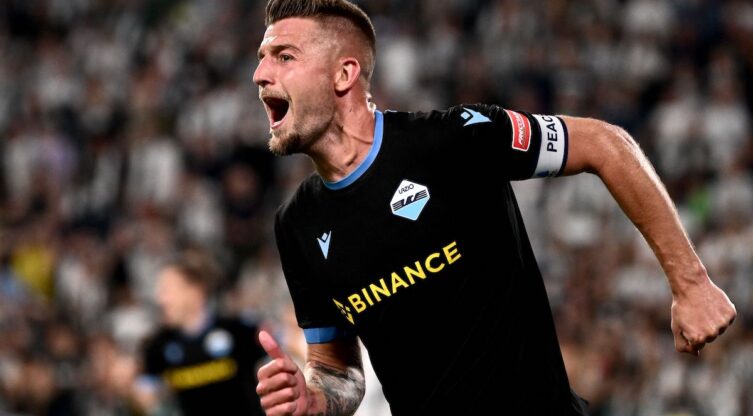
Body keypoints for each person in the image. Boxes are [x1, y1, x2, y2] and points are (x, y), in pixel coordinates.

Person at [251, 1, 737, 415]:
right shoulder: (297, 225)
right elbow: (337, 368)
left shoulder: (455, 140)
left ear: (344, 74)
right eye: (261, 59)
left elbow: (604, 143)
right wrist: (315, 399)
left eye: (284, 56)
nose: (260, 75)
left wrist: (691, 284)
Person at [134, 250, 267, 415]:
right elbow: (145, 395)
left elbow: (273, 365)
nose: (160, 299)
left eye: (167, 290)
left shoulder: (238, 331)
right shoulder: (158, 346)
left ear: (196, 291)